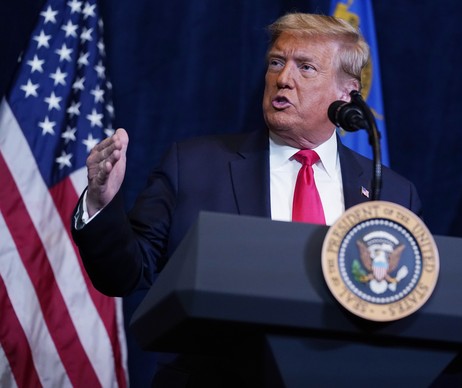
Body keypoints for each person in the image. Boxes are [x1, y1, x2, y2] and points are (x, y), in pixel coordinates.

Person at [72, 12, 422, 387]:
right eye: (276, 62)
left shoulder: (393, 193)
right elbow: (126, 273)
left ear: (347, 93)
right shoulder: (193, 166)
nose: (283, 78)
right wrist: (100, 204)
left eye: (305, 68)